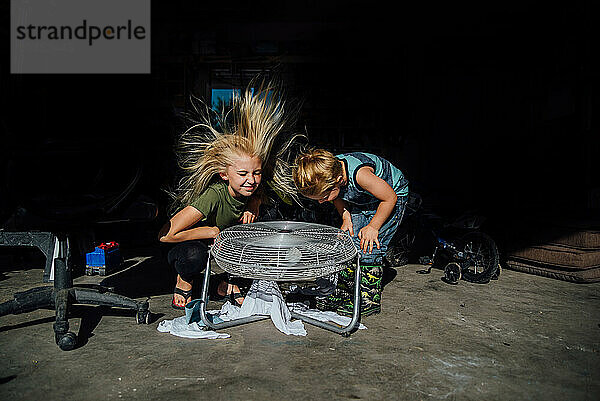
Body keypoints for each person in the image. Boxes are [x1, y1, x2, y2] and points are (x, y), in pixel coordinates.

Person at [159, 80, 301, 309]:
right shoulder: (214, 195)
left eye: (256, 173)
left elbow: (261, 193)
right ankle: (184, 279)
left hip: (224, 246)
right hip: (190, 246)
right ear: (225, 175)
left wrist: (254, 203)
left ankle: (226, 283)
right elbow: (166, 235)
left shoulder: (254, 190)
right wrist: (209, 231)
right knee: (195, 256)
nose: (251, 180)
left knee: (263, 241)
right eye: (243, 173)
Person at [293, 149, 409, 316]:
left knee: (369, 246)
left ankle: (369, 300)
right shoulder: (331, 176)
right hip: (365, 199)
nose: (321, 202)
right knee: (349, 242)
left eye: (324, 197)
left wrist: (373, 227)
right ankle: (345, 291)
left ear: (338, 180)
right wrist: (346, 216)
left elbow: (389, 198)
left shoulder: (361, 175)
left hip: (390, 198)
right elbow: (337, 197)